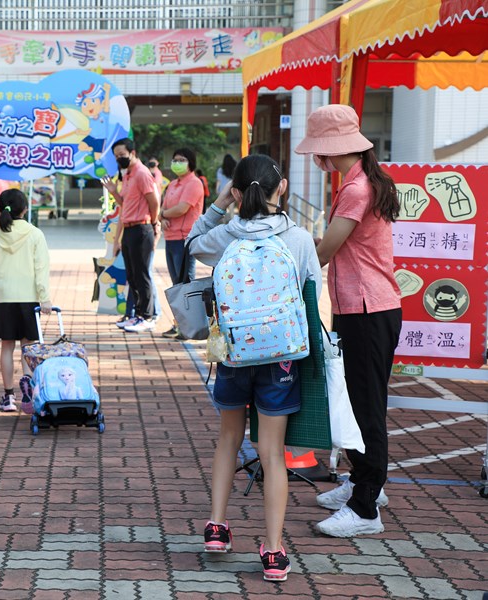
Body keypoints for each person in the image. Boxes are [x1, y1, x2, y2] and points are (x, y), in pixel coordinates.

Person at [187, 154, 322, 583]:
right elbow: (315, 297)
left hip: (233, 352)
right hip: (281, 356)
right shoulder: (298, 239)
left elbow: (191, 242)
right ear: (281, 189)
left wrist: (219, 203)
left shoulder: (226, 235)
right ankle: (275, 552)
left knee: (228, 437)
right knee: (272, 452)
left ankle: (216, 527)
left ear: (238, 193)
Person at [295, 104, 401, 538]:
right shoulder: (359, 181)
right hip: (362, 309)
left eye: (318, 151)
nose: (316, 160)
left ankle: (365, 508)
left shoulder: (356, 190)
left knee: (366, 408)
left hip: (368, 311)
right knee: (356, 403)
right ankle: (363, 485)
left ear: (329, 150)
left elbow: (325, 251)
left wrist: (292, 254)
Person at [0, 189, 52, 413]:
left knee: (7, 347)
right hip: (29, 299)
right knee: (28, 348)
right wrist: (45, 298)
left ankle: (8, 396)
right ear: (26, 209)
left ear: (2, 210)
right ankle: (28, 390)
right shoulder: (35, 234)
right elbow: (41, 270)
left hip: (4, 300)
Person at [101, 138, 161, 333]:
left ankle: (148, 316)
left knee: (142, 274)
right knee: (132, 275)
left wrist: (153, 223)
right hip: (129, 229)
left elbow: (154, 201)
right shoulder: (127, 175)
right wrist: (113, 192)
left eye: (122, 155)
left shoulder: (142, 173)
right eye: (117, 156)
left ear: (133, 152)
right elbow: (124, 204)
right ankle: (136, 315)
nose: (119, 159)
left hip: (142, 228)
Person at [160, 147, 205, 340]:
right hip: (171, 238)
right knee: (177, 285)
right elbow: (164, 207)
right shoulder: (172, 185)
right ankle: (178, 323)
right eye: (175, 159)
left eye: (181, 160)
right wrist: (162, 217)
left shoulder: (194, 183)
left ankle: (189, 327)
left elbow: (181, 209)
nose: (177, 163)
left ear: (190, 162)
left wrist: (163, 214)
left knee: (185, 284)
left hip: (185, 239)